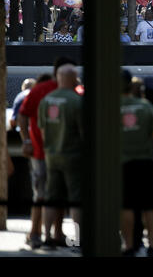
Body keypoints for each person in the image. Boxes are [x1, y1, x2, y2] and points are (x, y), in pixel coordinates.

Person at [18, 57, 75, 249]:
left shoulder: (42, 91)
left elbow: (23, 116)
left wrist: (26, 140)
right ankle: (38, 232)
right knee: (48, 194)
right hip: (50, 152)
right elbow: (24, 115)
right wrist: (27, 141)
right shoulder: (62, 91)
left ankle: (48, 234)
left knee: (46, 194)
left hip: (43, 151)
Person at [119, 69, 153, 257]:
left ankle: (129, 245)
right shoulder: (145, 107)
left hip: (122, 163)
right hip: (146, 162)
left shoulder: (108, 107)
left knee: (127, 205)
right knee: (150, 204)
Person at [38, 64, 83, 250]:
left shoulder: (46, 100)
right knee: (76, 198)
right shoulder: (77, 101)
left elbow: (42, 130)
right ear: (73, 78)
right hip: (73, 156)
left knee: (51, 197)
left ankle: (47, 238)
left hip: (51, 155)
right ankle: (79, 240)